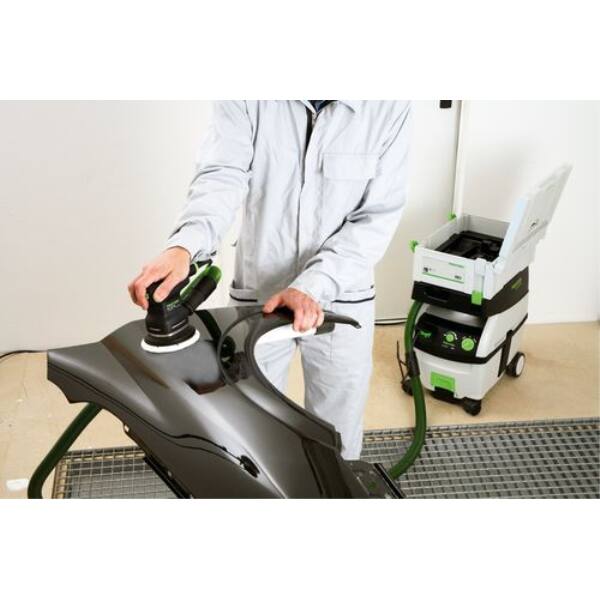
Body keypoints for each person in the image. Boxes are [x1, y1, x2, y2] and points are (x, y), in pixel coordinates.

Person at [129, 100, 411, 459]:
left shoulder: (388, 103)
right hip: (260, 291)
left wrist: (312, 286)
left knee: (337, 434)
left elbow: (376, 216)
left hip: (341, 292)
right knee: (250, 427)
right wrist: (185, 245)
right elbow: (222, 174)